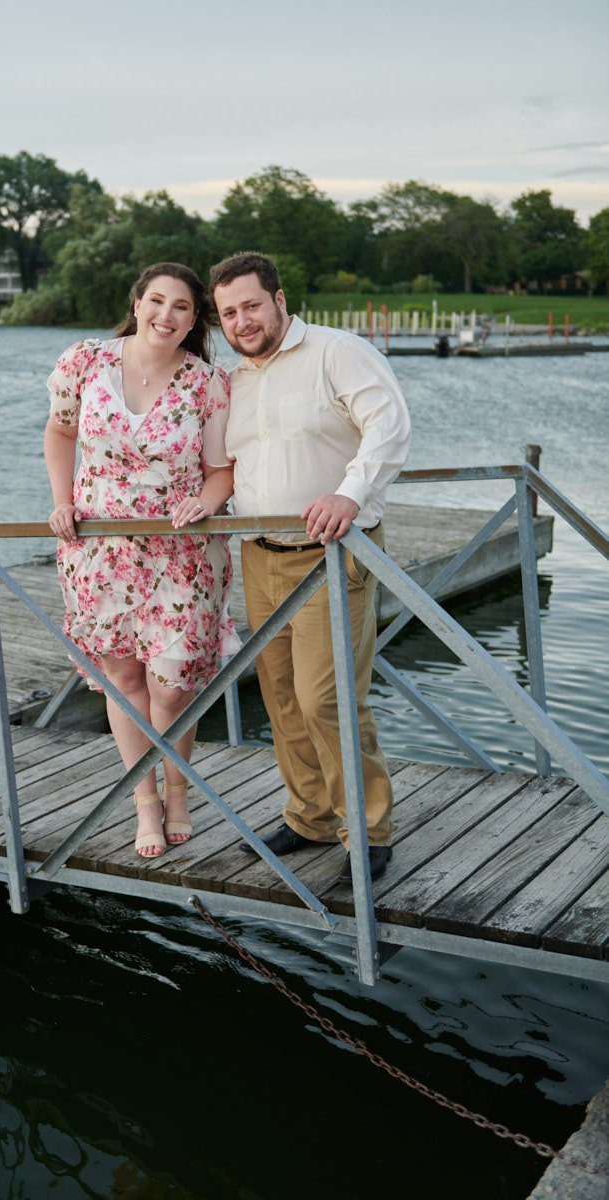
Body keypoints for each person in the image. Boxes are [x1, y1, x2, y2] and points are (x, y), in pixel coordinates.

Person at [210, 252, 411, 882]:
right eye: (228, 313)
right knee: (281, 700)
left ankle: (368, 827)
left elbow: (389, 424)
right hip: (259, 555)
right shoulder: (229, 380)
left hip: (332, 554)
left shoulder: (335, 351)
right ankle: (310, 817)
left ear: (278, 299)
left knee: (327, 699)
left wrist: (350, 493)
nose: (242, 321)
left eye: (250, 305)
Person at [44, 263, 239, 860]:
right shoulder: (84, 362)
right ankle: (147, 801)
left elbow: (221, 473)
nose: (166, 315)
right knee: (124, 681)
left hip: (182, 556)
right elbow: (59, 434)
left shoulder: (208, 383)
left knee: (173, 682)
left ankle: (180, 787)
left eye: (182, 306)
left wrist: (202, 504)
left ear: (194, 319)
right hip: (99, 554)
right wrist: (61, 502)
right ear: (136, 303)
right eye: (157, 301)